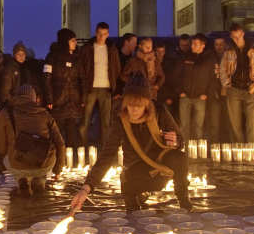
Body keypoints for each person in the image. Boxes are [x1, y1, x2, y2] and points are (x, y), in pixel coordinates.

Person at [71, 73, 190, 212]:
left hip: (158, 164)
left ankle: (184, 203)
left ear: (146, 104)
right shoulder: (120, 118)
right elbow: (107, 154)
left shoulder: (158, 111)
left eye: (138, 105)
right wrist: (86, 188)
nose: (133, 110)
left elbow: (180, 140)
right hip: (135, 169)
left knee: (180, 158)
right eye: (130, 104)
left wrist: (175, 141)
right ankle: (136, 196)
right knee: (132, 203)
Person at [0, 84, 65, 197]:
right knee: (46, 159)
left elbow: (0, 147)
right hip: (44, 164)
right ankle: (39, 180)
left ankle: (21, 179)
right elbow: (60, 144)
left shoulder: (5, 113)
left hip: (18, 164)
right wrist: (58, 170)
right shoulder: (45, 114)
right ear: (34, 98)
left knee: (8, 158)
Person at [218, 24, 254, 143]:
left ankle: (250, 149)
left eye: (238, 36)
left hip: (249, 89)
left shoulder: (253, 49)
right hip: (234, 89)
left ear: (242, 34)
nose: (236, 39)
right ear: (231, 36)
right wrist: (227, 84)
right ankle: (239, 149)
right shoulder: (229, 51)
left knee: (252, 122)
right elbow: (222, 69)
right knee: (235, 123)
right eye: (234, 37)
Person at [77, 22, 121, 146]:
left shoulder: (111, 49)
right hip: (90, 88)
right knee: (85, 121)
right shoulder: (87, 48)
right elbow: (81, 68)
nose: (102, 37)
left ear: (107, 34)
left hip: (106, 89)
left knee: (106, 123)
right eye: (100, 34)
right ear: (96, 33)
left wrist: (114, 86)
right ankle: (83, 148)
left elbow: (116, 68)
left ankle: (104, 150)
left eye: (104, 34)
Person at [43, 28, 83, 148]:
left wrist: (82, 98)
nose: (75, 43)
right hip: (58, 100)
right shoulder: (52, 57)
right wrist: (49, 99)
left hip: (73, 101)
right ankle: (57, 158)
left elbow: (82, 79)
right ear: (65, 41)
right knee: (58, 132)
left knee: (72, 132)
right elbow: (46, 79)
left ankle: (71, 159)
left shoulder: (76, 57)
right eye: (72, 40)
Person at [174, 33, 215, 139]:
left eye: (195, 44)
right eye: (192, 44)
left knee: (199, 126)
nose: (192, 46)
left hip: (200, 97)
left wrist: (206, 94)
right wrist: (180, 91)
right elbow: (176, 75)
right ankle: (184, 148)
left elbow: (213, 79)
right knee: (184, 125)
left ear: (203, 45)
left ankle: (197, 149)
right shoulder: (185, 57)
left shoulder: (209, 59)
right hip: (185, 96)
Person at [121, 36, 164, 100]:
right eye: (146, 46)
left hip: (151, 94)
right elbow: (123, 75)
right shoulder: (133, 61)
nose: (149, 48)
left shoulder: (155, 60)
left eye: (150, 46)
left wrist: (157, 85)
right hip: (137, 94)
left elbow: (161, 76)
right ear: (140, 46)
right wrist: (134, 83)